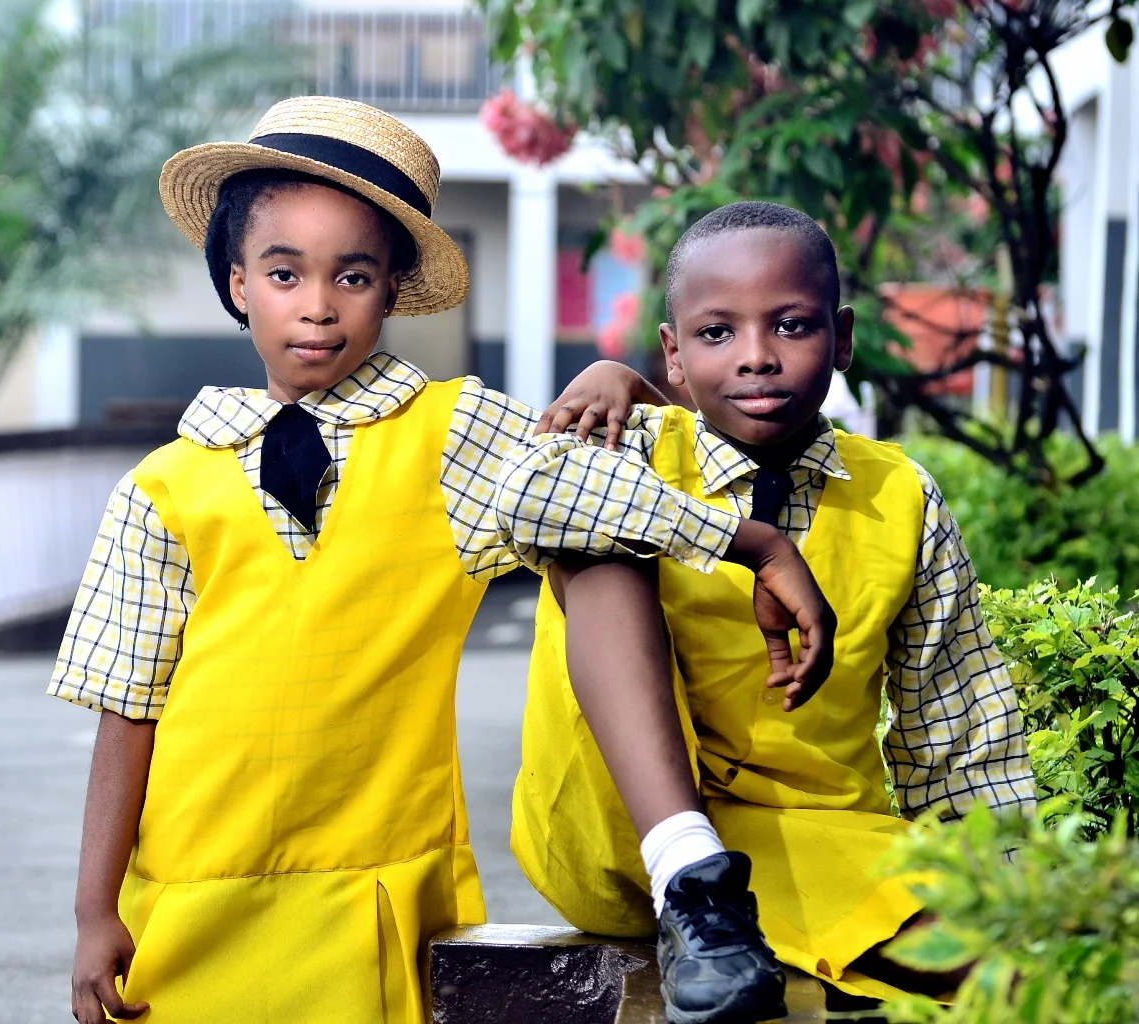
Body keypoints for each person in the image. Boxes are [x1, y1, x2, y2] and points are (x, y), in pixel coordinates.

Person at [49, 100, 833, 1024]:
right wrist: (94, 908)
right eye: (283, 272)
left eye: (352, 275)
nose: (316, 304)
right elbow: (127, 707)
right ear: (237, 285)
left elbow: (597, 488)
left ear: (390, 291)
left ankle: (685, 867)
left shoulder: (449, 435)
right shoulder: (164, 485)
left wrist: (754, 539)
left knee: (595, 553)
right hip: (188, 895)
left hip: (376, 896)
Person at [506, 201, 1036, 1019]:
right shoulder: (629, 446)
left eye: (791, 325)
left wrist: (1018, 890)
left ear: (844, 337)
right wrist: (754, 542)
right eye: (717, 334)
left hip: (818, 835)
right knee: (598, 529)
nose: (757, 358)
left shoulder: (901, 493)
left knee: (991, 954)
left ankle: (747, 916)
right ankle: (690, 871)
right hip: (623, 833)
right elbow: (525, 496)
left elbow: (962, 734)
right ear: (674, 354)